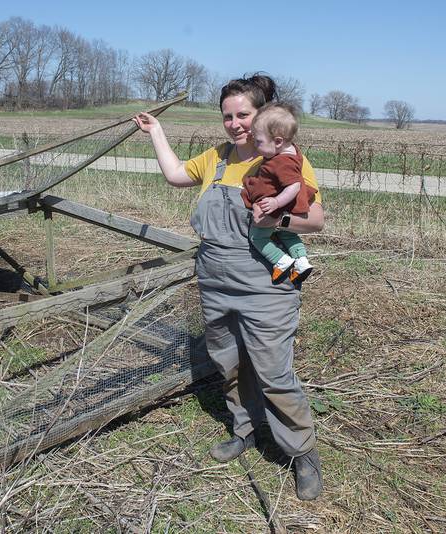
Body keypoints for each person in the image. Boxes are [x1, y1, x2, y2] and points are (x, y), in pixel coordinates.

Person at [133, 73, 324, 500]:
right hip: (215, 280)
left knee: (274, 371)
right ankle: (247, 429)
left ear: (262, 117)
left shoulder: (283, 159)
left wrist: (278, 219)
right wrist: (157, 132)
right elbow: (175, 175)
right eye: (228, 116)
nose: (235, 124)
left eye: (244, 115)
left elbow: (315, 220)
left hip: (265, 284)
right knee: (229, 363)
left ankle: (303, 451)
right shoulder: (216, 158)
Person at [241, 103, 316, 284]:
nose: (255, 145)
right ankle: (302, 261)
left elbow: (294, 186)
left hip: (275, 206)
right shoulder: (291, 153)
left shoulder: (282, 162)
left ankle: (281, 261)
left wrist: (275, 202)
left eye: (259, 141)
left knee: (257, 237)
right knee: (288, 234)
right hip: (290, 207)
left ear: (278, 141)